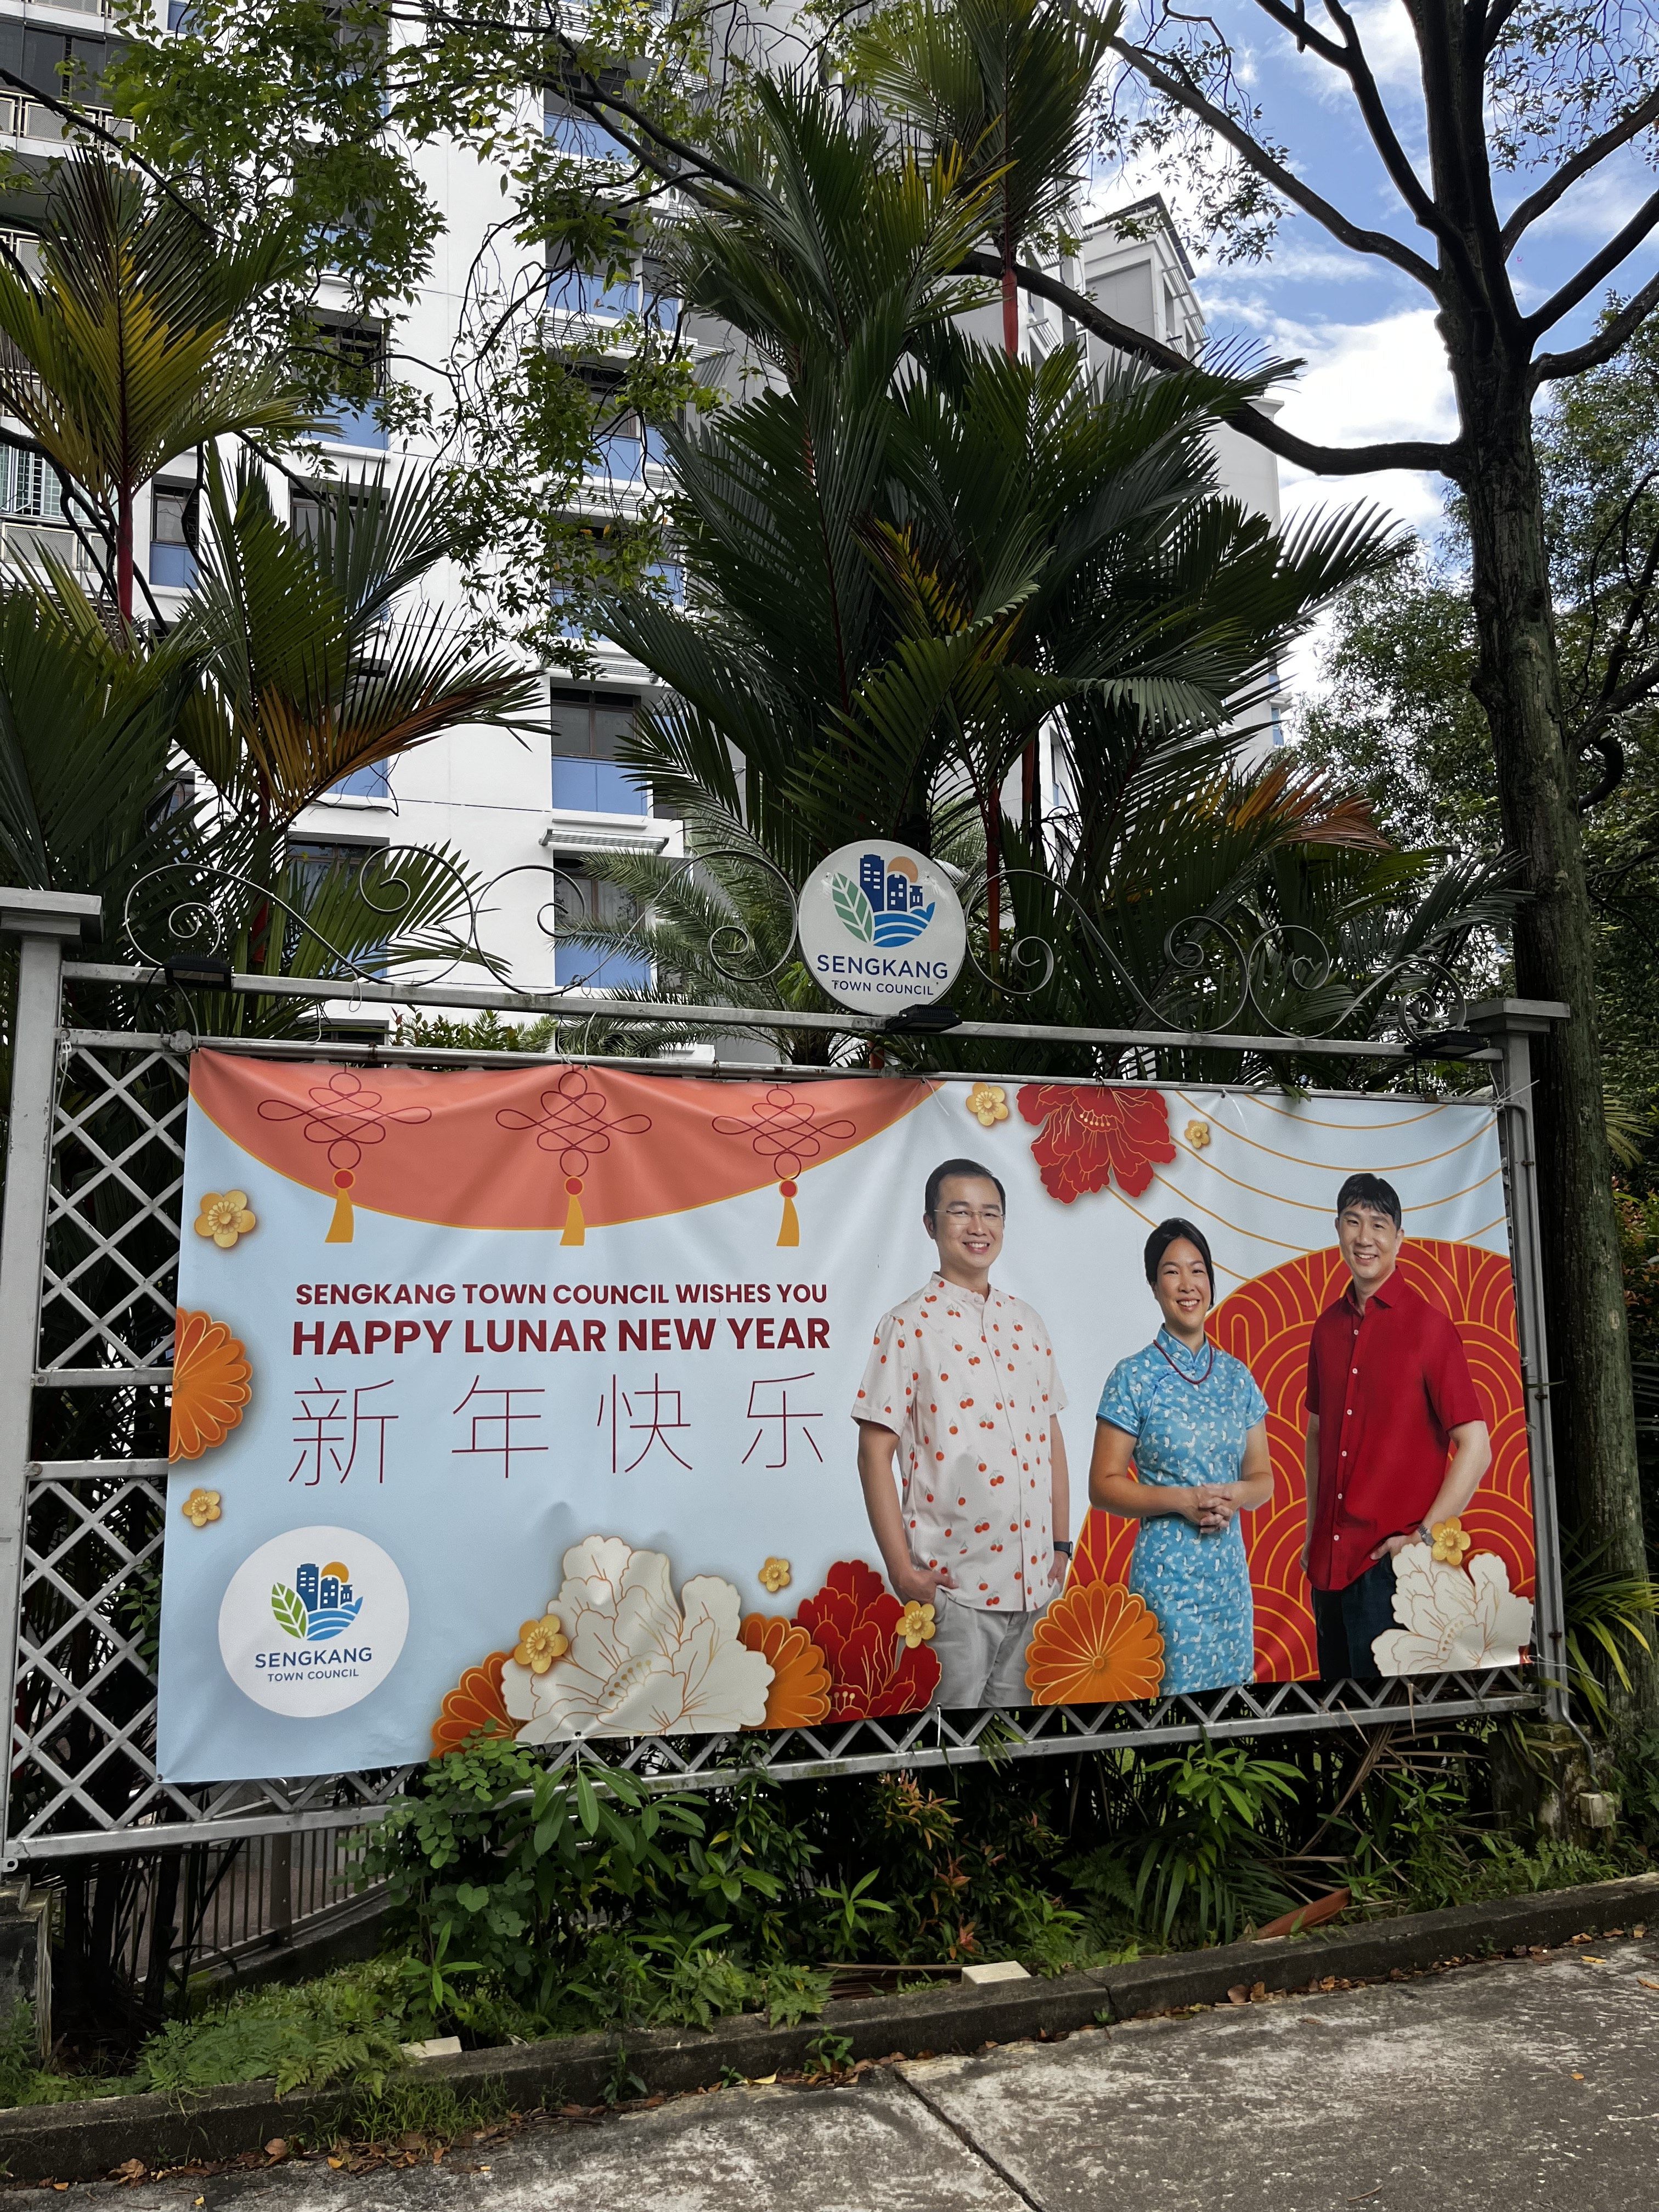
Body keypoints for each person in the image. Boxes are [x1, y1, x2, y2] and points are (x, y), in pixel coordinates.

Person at [853, 1158, 1070, 1707]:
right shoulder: (906, 1326)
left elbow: (1052, 1436)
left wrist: (1062, 1548)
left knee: (1018, 1760)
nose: (978, 1226)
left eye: (991, 1212)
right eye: (961, 1212)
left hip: (1036, 1586)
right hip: (954, 1593)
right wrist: (902, 1571)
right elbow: (874, 1454)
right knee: (944, 1757)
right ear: (931, 1225)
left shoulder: (1029, 1323)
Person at [1304, 1172, 1492, 1685]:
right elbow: (1318, 1434)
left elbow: (1476, 1445)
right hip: (1327, 1567)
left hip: (1390, 1568)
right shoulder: (1325, 1329)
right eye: (1353, 1222)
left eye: (1379, 1225)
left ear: (1399, 1239)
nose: (1365, 1238)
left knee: (1395, 1733)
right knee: (1342, 1729)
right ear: (1338, 1229)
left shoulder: (1430, 1328)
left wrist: (1424, 1538)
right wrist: (1311, 1531)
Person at [1089, 1219, 1273, 1694]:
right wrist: (1181, 1500)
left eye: (1198, 1271)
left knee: (1234, 1722)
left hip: (1230, 1585)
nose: (1187, 1284)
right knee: (1167, 1719)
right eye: (1172, 1272)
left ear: (1211, 1282)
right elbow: (1104, 1485)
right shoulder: (1133, 1377)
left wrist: (1234, 1495)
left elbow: (1263, 1480)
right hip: (1166, 1584)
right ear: (1154, 1286)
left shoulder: (1238, 1378)